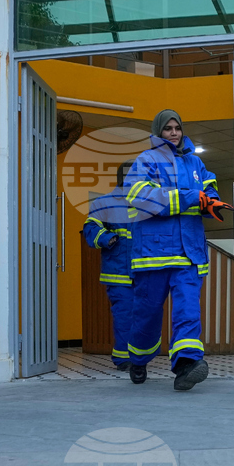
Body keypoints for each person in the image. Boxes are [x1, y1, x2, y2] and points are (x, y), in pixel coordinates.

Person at [124, 109, 234, 390]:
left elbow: (209, 190)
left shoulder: (195, 163)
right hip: (153, 254)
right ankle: (138, 359)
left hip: (189, 253)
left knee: (188, 310)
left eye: (177, 128)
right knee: (147, 315)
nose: (174, 133)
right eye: (168, 129)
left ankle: (186, 365)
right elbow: (140, 197)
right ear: (158, 132)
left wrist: (211, 202)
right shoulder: (146, 161)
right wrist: (191, 197)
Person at [82, 159, 136, 371]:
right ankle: (124, 359)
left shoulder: (148, 204)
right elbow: (90, 230)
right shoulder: (104, 203)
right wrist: (107, 238)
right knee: (125, 316)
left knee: (144, 316)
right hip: (119, 274)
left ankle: (139, 356)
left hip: (145, 272)